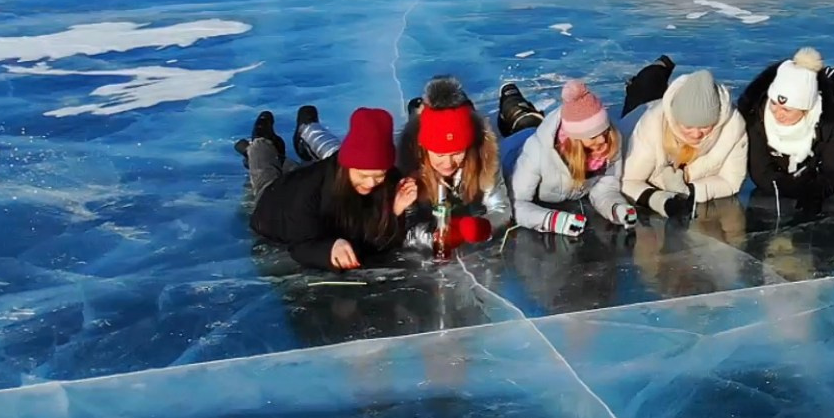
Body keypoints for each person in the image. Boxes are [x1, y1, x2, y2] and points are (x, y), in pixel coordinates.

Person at [241, 106, 416, 270]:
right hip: (274, 207)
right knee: (266, 176)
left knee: (296, 171)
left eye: (379, 176)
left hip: (307, 180)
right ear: (346, 166)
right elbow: (301, 245)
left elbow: (377, 241)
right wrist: (328, 249)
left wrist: (395, 211)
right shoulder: (309, 190)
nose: (371, 183)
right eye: (363, 176)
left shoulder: (390, 180)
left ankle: (279, 154)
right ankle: (261, 142)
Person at [620, 61, 749, 221]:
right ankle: (660, 67)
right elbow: (628, 180)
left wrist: (689, 191)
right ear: (675, 119)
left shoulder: (733, 126)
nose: (696, 134)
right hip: (637, 117)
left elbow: (731, 182)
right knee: (644, 87)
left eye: (705, 127)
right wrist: (662, 200)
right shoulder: (651, 123)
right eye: (688, 126)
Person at [400, 76, 513, 255]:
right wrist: (433, 238)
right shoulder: (408, 167)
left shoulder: (485, 160)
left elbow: (502, 209)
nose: (448, 163)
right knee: (420, 121)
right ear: (425, 150)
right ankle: (417, 111)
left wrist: (482, 226)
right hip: (431, 226)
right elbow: (405, 227)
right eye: (439, 155)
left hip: (463, 214)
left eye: (457, 153)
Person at [512, 79, 637, 236]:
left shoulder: (611, 141)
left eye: (604, 132)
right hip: (516, 147)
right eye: (593, 136)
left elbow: (605, 187)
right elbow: (516, 203)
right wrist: (551, 220)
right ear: (575, 139)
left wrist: (615, 208)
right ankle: (511, 98)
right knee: (522, 120)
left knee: (531, 120)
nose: (602, 140)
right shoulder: (536, 153)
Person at [741, 47, 834, 214]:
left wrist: (815, 190)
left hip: (827, 101)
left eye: (787, 109)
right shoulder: (757, 117)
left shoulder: (832, 123)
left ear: (805, 110)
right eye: (774, 103)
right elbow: (761, 173)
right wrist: (791, 187)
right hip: (788, 176)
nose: (777, 113)